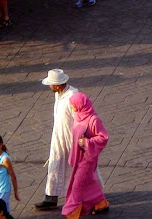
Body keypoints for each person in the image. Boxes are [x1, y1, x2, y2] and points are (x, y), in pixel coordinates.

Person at [36, 69, 103, 211]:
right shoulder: (59, 95)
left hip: (72, 139)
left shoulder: (72, 97)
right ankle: (51, 196)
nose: (49, 87)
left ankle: (93, 197)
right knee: (55, 165)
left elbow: (81, 117)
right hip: (59, 137)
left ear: (57, 85)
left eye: (51, 84)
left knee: (80, 169)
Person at [58, 93, 110, 219]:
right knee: (89, 182)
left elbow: (103, 137)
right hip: (78, 157)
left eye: (73, 104)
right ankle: (100, 203)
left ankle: (71, 216)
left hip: (87, 158)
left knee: (77, 186)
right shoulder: (78, 116)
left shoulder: (94, 120)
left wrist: (87, 142)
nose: (71, 107)